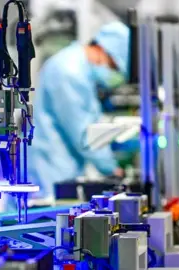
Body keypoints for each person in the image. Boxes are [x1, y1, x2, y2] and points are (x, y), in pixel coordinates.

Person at [28, 21, 129, 202]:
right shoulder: (70, 72)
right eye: (113, 66)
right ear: (102, 51)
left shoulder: (78, 69)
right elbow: (85, 134)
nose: (112, 73)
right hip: (50, 171)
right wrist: (112, 169)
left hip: (59, 167)